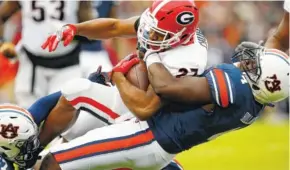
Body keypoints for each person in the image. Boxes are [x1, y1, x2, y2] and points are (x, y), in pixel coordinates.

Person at [0, 46, 287, 169]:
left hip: (147, 137)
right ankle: (25, 152)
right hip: (156, 135)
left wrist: (150, 53)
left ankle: (23, 157)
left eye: (254, 66)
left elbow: (166, 89)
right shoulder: (252, 99)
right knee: (79, 92)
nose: (248, 62)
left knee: (55, 162)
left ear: (263, 82)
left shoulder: (235, 87)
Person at [0, 1, 95, 108]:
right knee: (28, 112)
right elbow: (2, 14)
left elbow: (92, 31)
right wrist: (3, 42)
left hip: (66, 64)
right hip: (32, 63)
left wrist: (72, 34)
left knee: (64, 109)